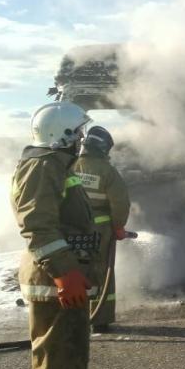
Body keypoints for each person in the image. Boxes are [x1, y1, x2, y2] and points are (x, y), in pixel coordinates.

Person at [11, 101, 97, 369]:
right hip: (55, 280)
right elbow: (37, 224)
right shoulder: (43, 165)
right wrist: (64, 273)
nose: (80, 140)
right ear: (59, 134)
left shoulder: (58, 165)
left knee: (73, 350)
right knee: (56, 355)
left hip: (69, 275)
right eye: (76, 133)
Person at [73, 125, 130, 331]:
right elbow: (120, 202)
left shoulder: (70, 165)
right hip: (99, 231)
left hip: (70, 229)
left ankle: (72, 317)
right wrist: (118, 227)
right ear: (104, 148)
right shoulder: (107, 171)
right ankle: (100, 320)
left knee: (73, 269)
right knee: (102, 271)